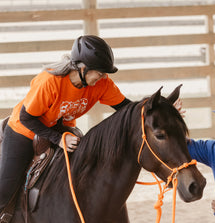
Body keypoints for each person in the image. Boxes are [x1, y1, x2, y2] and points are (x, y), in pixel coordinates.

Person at [0, 35, 131, 218]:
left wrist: (162, 109)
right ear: (83, 69)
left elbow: (128, 109)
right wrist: (58, 139)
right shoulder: (49, 82)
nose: (102, 77)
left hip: (60, 129)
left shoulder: (101, 84)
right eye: (99, 73)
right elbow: (26, 117)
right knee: (4, 189)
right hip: (24, 130)